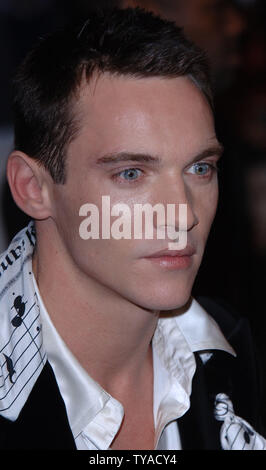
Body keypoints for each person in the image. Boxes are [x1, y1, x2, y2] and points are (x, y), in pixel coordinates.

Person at [0, 6, 265, 450]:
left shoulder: (235, 355)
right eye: (131, 174)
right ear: (33, 188)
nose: (182, 215)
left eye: (200, 168)